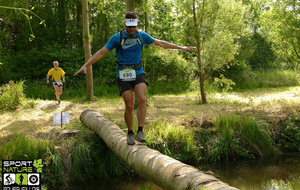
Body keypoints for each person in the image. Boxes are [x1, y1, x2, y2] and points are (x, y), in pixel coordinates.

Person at [73, 12, 195, 145]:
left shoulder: (141, 36)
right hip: (123, 73)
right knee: (129, 105)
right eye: (129, 27)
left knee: (142, 99)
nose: (131, 29)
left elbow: (160, 43)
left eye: (133, 27)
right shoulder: (117, 37)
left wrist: (180, 48)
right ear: (125, 24)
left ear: (136, 25)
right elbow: (102, 52)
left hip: (138, 71)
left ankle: (140, 131)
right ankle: (130, 132)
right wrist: (86, 64)